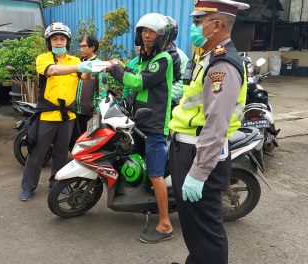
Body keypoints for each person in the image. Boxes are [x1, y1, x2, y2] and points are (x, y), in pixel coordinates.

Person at [168, 1, 249, 263]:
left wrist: (199, 172)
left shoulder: (222, 63)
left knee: (205, 229)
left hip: (199, 153)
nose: (193, 27)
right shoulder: (207, 57)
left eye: (198, 22)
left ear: (217, 25)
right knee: (193, 225)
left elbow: (216, 124)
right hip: (187, 149)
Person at [108, 13, 174, 243]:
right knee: (137, 161)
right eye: (144, 31)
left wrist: (116, 70)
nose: (147, 35)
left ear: (161, 36)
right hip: (140, 123)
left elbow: (138, 82)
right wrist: (117, 67)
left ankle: (165, 224)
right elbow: (132, 76)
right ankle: (146, 200)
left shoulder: (163, 59)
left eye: (152, 32)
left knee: (156, 175)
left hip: (155, 127)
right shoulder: (145, 59)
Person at [19, 22, 92, 202]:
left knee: (61, 153)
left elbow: (84, 77)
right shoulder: (43, 59)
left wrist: (91, 68)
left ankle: (57, 183)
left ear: (67, 42)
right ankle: (27, 187)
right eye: (55, 39)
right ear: (49, 42)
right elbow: (52, 71)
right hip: (47, 114)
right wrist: (79, 67)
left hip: (68, 115)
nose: (59, 42)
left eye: (62, 39)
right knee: (37, 153)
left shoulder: (75, 61)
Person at [75, 34, 104, 133]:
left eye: (84, 46)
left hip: (90, 112)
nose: (81, 49)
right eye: (80, 46)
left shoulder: (98, 65)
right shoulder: (77, 64)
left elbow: (102, 90)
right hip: (75, 111)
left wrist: (97, 112)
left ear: (92, 47)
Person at [165, 16, 189, 103]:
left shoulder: (178, 56)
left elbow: (183, 83)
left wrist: (162, 97)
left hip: (171, 103)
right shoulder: (150, 53)